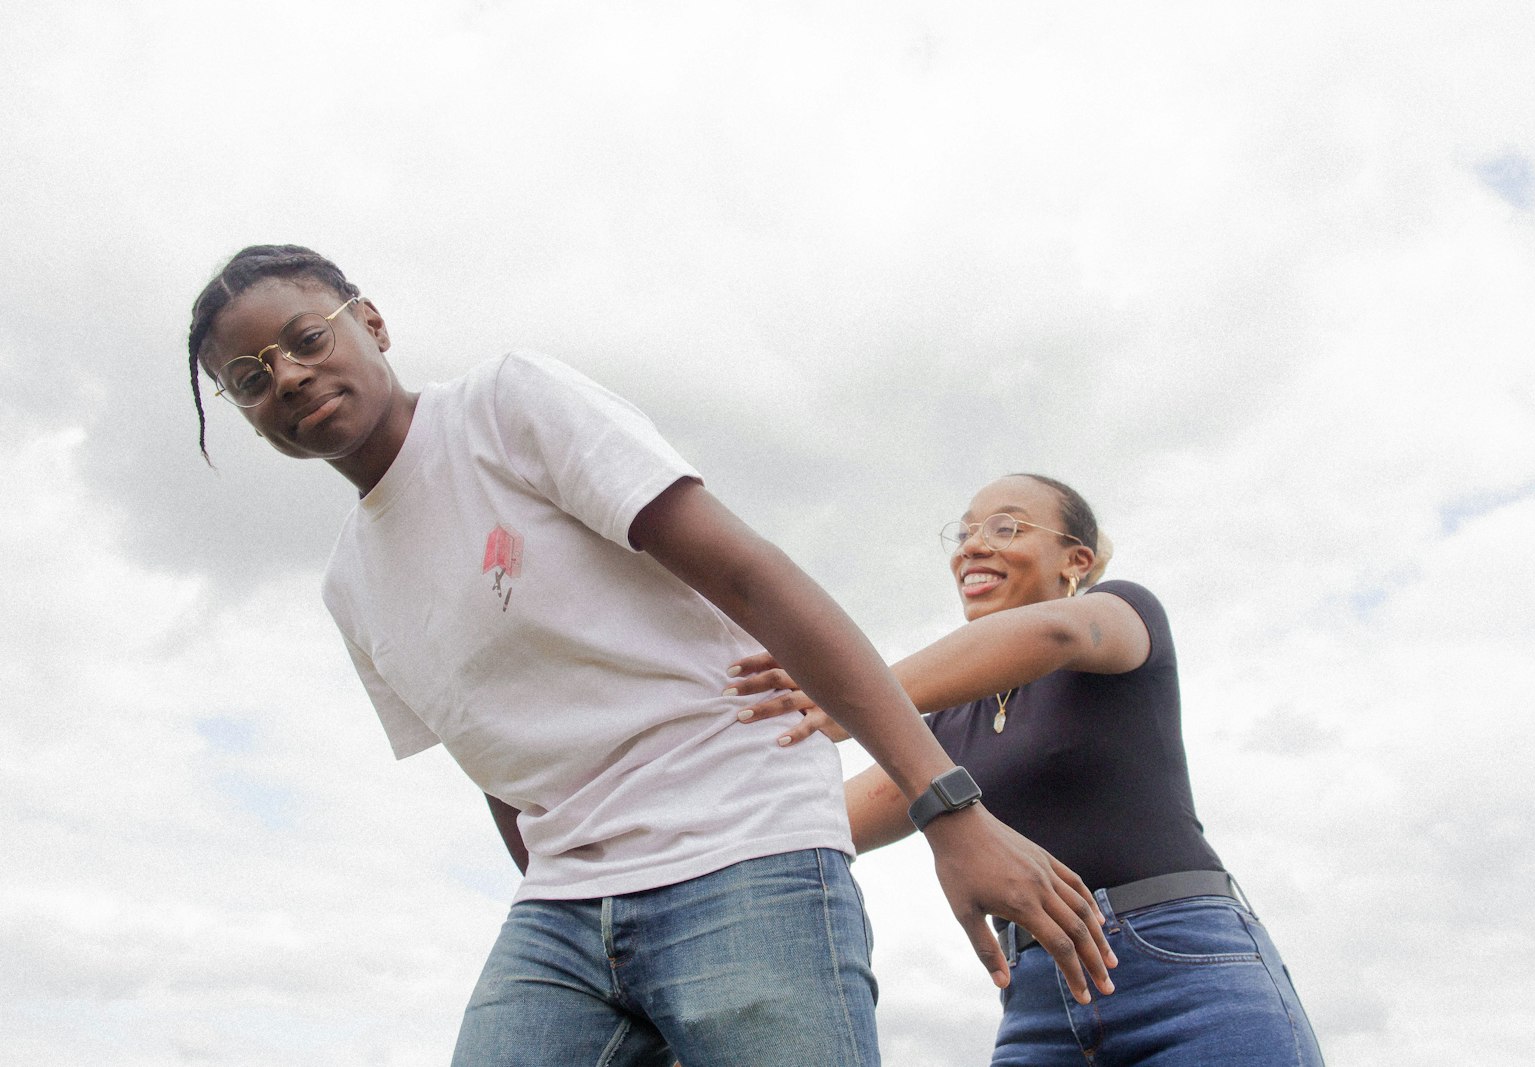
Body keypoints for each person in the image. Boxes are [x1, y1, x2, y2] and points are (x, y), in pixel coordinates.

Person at [184, 246, 1116, 1067]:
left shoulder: (507, 406)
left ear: (371, 322)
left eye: (306, 338)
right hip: (563, 911)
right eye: (251, 377)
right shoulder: (350, 583)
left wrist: (947, 808)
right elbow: (502, 772)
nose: (290, 377)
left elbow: (751, 575)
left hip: (742, 850)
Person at [728, 473, 1324, 1066]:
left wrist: (844, 693)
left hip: (1187, 972)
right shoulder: (944, 730)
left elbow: (1058, 632)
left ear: (1076, 560)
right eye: (962, 534)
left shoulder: (1120, 615)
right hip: (1038, 1002)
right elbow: (821, 819)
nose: (972, 546)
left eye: (1005, 527)